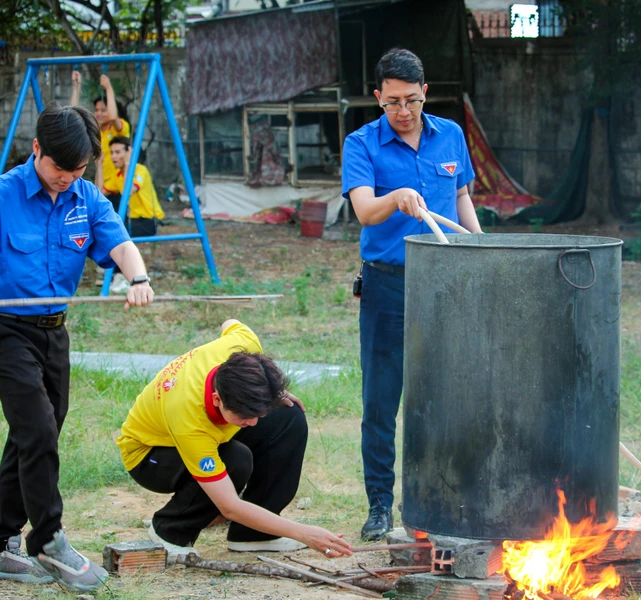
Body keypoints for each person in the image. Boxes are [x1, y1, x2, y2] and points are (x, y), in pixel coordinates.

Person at [0, 103, 155, 592]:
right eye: (60, 168)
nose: (68, 178)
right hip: (2, 330)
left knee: (34, 434)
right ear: (36, 150)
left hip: (53, 332)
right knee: (37, 429)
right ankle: (48, 540)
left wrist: (138, 277)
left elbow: (118, 242)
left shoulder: (86, 196)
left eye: (78, 170)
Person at [341, 48, 483, 541]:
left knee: (448, 394)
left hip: (447, 283)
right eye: (392, 102)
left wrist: (480, 250)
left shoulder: (452, 135)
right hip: (387, 285)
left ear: (426, 92)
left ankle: (447, 495)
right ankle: (380, 504)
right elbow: (364, 211)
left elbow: (462, 198)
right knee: (382, 401)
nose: (403, 112)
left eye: (412, 101)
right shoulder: (361, 144)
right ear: (378, 97)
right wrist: (394, 199)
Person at [116, 319, 353, 560]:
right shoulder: (189, 418)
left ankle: (252, 535)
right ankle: (169, 531)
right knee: (235, 460)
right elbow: (230, 505)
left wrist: (270, 391)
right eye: (245, 416)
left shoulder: (243, 344)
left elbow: (229, 322)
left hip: (206, 427)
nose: (253, 423)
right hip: (150, 456)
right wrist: (305, 534)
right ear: (217, 400)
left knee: (287, 415)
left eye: (256, 415)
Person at [97, 135, 165, 237]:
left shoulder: (140, 170)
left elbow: (128, 191)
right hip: (132, 220)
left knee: (115, 233)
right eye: (112, 152)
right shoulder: (118, 175)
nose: (113, 156)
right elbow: (99, 193)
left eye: (117, 152)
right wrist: (99, 165)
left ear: (128, 153)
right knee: (104, 227)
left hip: (148, 220)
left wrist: (128, 162)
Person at [71, 71, 131, 180]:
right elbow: (73, 115)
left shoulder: (120, 128)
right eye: (97, 110)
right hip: (102, 182)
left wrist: (108, 88)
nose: (99, 114)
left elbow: (113, 117)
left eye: (103, 110)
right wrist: (76, 87)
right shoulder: (95, 128)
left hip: (120, 182)